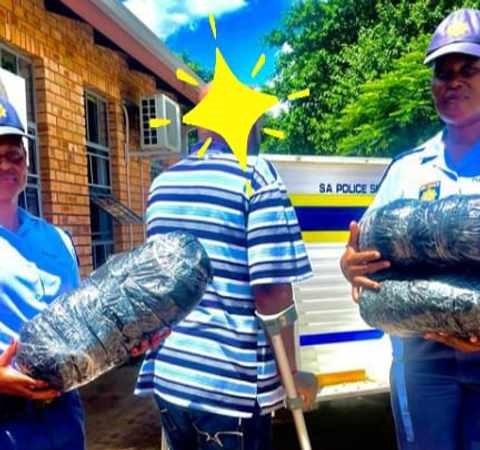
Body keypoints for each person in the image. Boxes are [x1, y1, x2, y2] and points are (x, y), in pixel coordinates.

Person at [135, 98, 317, 450]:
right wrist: (292, 376)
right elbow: (271, 293)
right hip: (232, 385)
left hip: (171, 376)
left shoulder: (162, 185)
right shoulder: (255, 175)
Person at [340, 8, 480, 450]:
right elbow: (366, 250)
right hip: (422, 366)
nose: (453, 82)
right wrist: (351, 265)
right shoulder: (406, 169)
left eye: (469, 69)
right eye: (443, 73)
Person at [0, 96, 158, 450]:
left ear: (27, 161)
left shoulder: (56, 240)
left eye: (14, 154)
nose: (6, 165)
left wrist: (127, 340)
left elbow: (82, 327)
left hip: (63, 415)